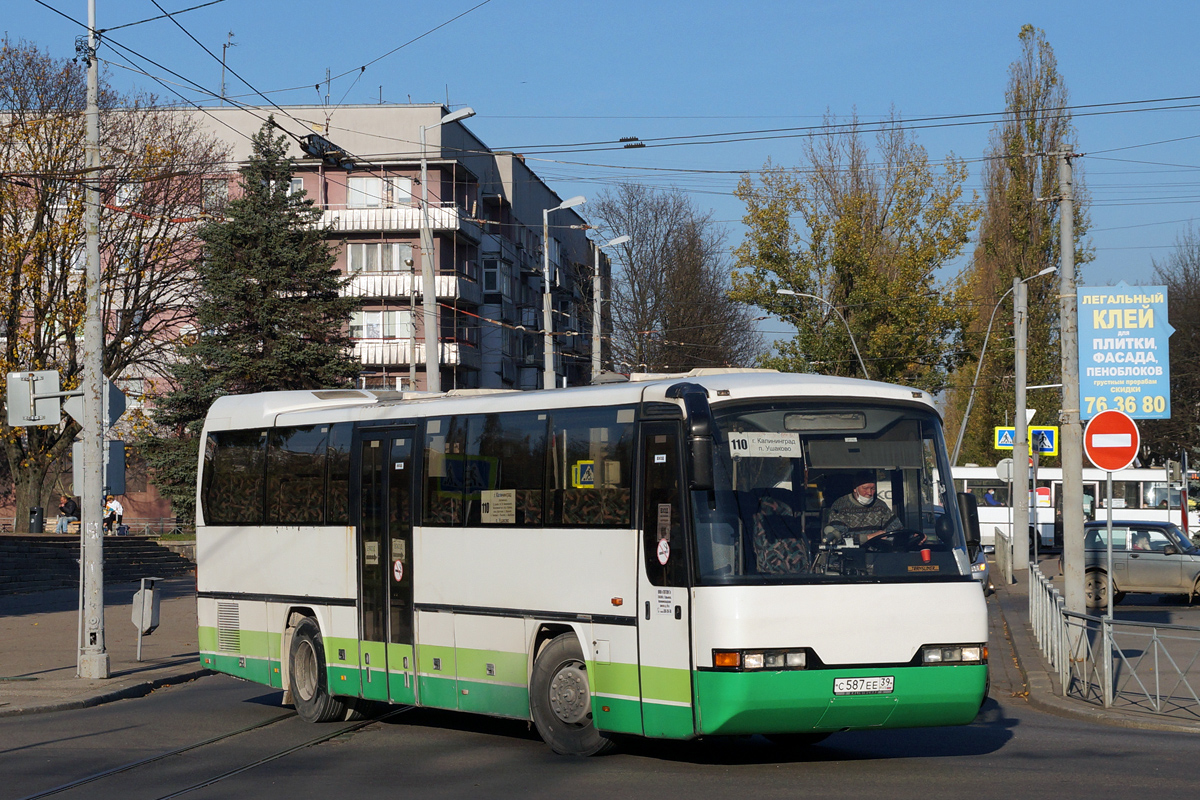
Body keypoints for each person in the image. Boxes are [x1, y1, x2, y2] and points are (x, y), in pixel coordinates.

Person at [824, 471, 903, 545]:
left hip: (878, 554)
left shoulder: (880, 506)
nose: (869, 492)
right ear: (855, 489)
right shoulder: (841, 506)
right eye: (865, 488)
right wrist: (867, 537)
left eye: (873, 489)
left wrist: (908, 535)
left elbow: (896, 529)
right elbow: (837, 538)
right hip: (850, 555)